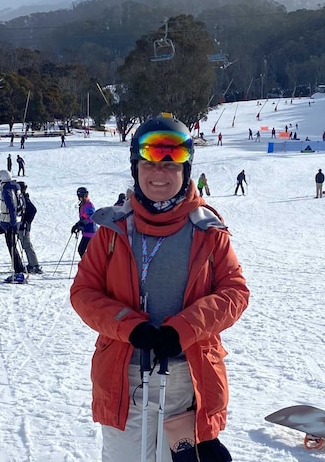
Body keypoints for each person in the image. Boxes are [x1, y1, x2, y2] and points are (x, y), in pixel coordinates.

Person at [69, 114, 249, 462]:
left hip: (185, 377)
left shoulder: (207, 231)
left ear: (186, 171)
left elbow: (234, 293)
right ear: (136, 168)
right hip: (124, 375)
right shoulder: (113, 228)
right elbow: (84, 292)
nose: (159, 174)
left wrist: (182, 330)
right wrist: (130, 326)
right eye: (148, 164)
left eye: (171, 166)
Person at [16, 181, 42, 274]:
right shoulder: (23, 198)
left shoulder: (24, 199)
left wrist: (26, 221)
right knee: (25, 245)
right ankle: (32, 264)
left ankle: (34, 265)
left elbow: (33, 210)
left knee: (27, 245)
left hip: (24, 227)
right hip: (23, 226)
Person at [71, 186, 96, 258]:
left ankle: (89, 266)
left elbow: (92, 218)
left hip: (91, 232)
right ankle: (88, 266)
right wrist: (77, 225)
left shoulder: (88, 205)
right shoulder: (83, 204)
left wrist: (82, 224)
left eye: (80, 196)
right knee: (82, 250)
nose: (79, 198)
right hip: (86, 232)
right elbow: (83, 217)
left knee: (82, 250)